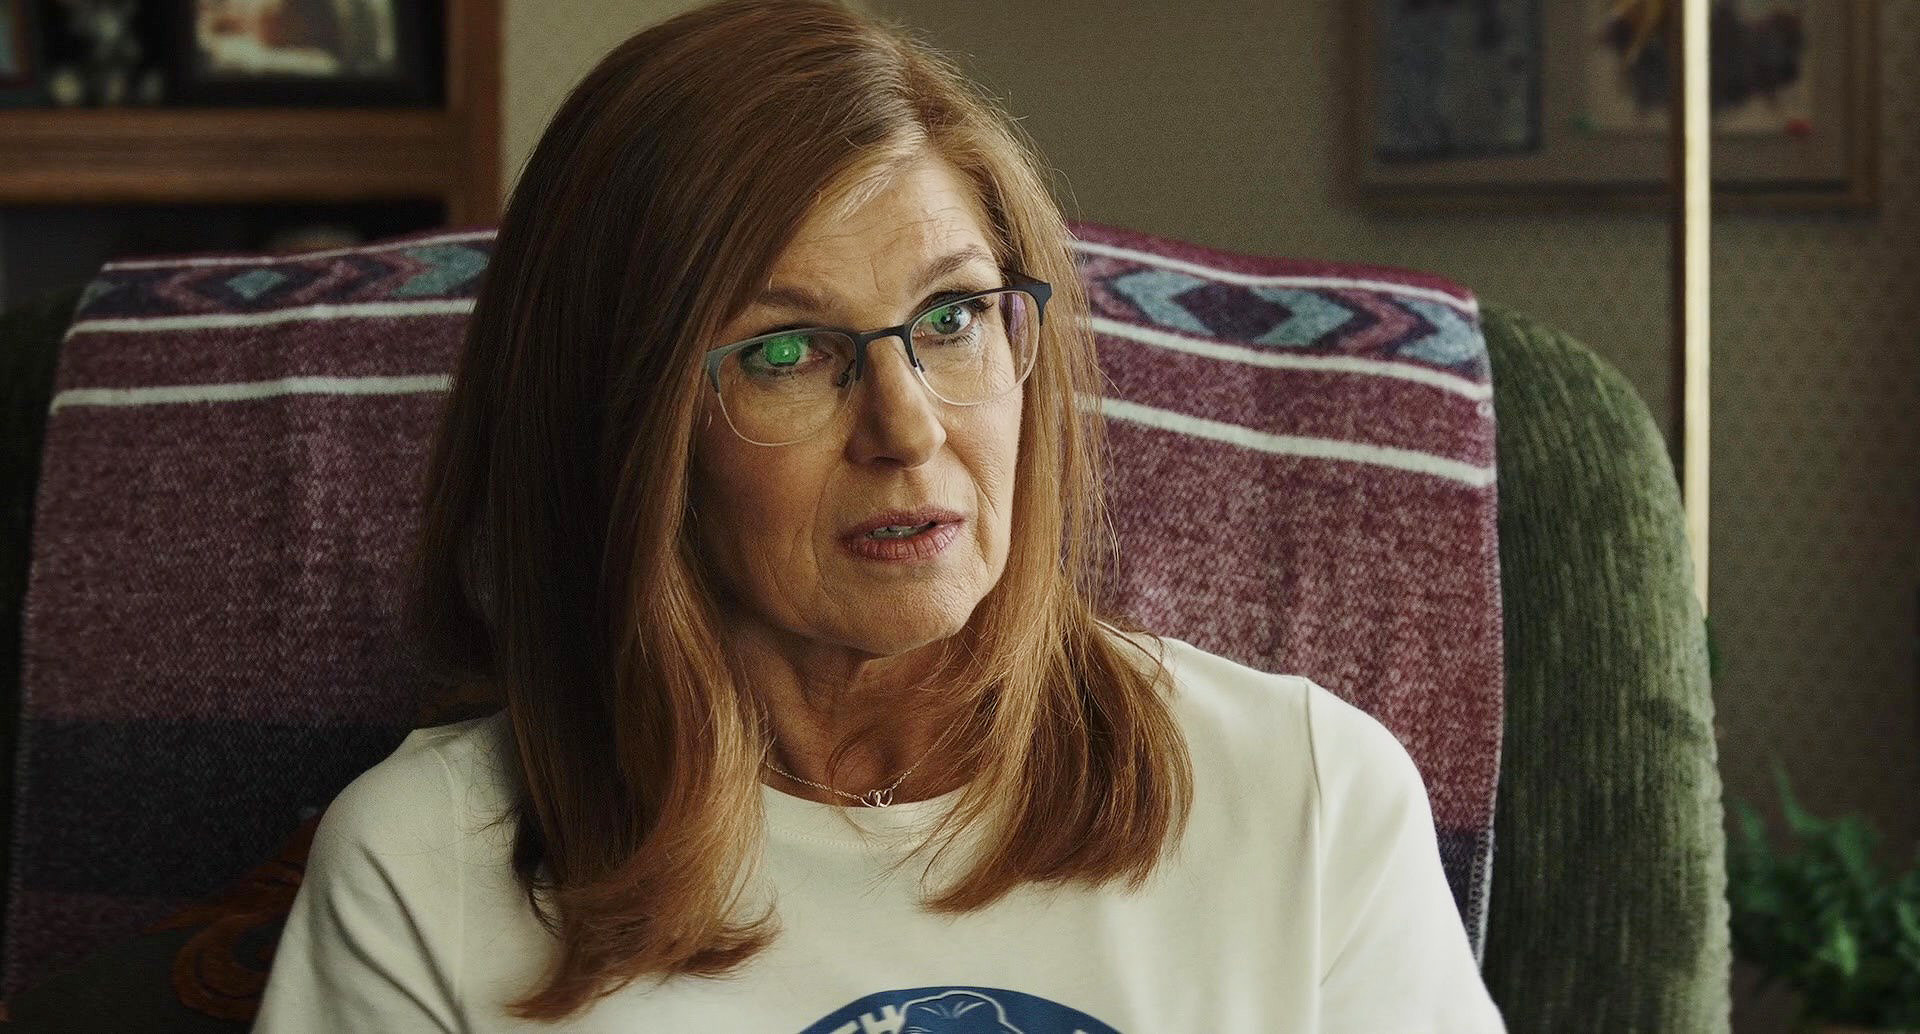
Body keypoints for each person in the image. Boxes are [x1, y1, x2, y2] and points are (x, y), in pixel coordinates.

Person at [252, 1, 1509, 1030]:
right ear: (621, 427)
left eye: (952, 318)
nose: (906, 427)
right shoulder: (424, 873)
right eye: (787, 350)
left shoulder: (1308, 798)